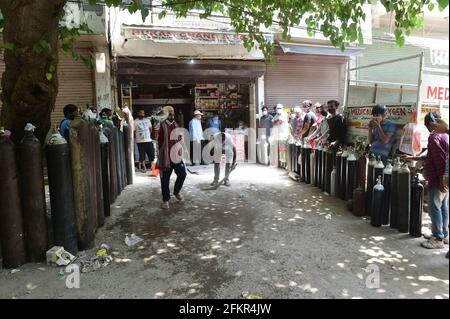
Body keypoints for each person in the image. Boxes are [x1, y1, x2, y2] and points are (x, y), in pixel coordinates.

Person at [405, 112, 449, 250]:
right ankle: (444, 234)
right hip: (445, 178)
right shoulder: (446, 135)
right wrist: (414, 158)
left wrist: (441, 181)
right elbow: (432, 157)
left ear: (430, 124)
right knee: (443, 206)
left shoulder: (434, 137)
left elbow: (439, 161)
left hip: (438, 178)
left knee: (434, 208)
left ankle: (437, 238)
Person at [157, 106, 187, 210]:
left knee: (183, 174)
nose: (172, 116)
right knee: (165, 179)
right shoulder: (160, 125)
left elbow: (180, 138)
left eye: (173, 114)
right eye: (170, 114)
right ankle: (165, 200)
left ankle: (176, 192)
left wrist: (185, 149)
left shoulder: (175, 125)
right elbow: (154, 137)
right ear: (165, 115)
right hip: (165, 157)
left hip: (176, 156)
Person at [272, 104, 289, 168]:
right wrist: (276, 121)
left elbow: (279, 122)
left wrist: (276, 121)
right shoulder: (276, 115)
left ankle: (284, 164)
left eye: (279, 108)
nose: (278, 109)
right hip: (277, 135)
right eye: (277, 108)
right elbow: (272, 122)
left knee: (283, 150)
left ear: (282, 108)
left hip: (283, 135)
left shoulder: (284, 114)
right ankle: (280, 163)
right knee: (279, 150)